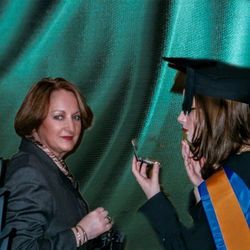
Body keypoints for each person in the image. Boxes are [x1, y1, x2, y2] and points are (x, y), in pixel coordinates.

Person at [132, 58, 250, 249]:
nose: (180, 118)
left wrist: (155, 197)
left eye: (189, 109)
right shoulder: (240, 171)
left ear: (217, 114)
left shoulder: (232, 184)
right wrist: (204, 189)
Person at [4, 77, 113, 249]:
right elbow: (20, 247)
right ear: (35, 122)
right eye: (59, 116)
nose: (71, 127)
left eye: (76, 117)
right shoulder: (29, 172)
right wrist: (81, 233)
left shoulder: (47, 165)